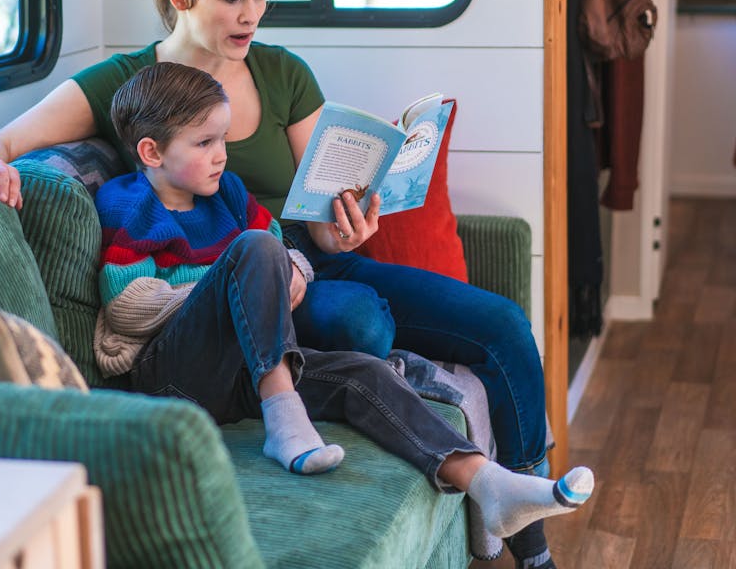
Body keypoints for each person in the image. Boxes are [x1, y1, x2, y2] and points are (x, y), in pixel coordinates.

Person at [0, 0, 560, 567]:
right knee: (362, 328)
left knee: (503, 322)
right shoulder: (135, 86)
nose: (251, 15)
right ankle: (294, 392)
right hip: (235, 285)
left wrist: (343, 233)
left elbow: (318, 211)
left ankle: (528, 526)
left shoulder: (282, 74)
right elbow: (9, 137)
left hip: (313, 260)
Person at [92, 60, 593, 540]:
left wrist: (291, 273)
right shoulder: (131, 204)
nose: (221, 153)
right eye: (205, 142)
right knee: (255, 247)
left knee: (363, 371)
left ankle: (488, 482)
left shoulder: (225, 191)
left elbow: (284, 253)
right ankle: (284, 415)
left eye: (223, 138)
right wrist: (235, 288)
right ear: (152, 152)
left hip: (238, 370)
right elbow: (128, 305)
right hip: (174, 377)